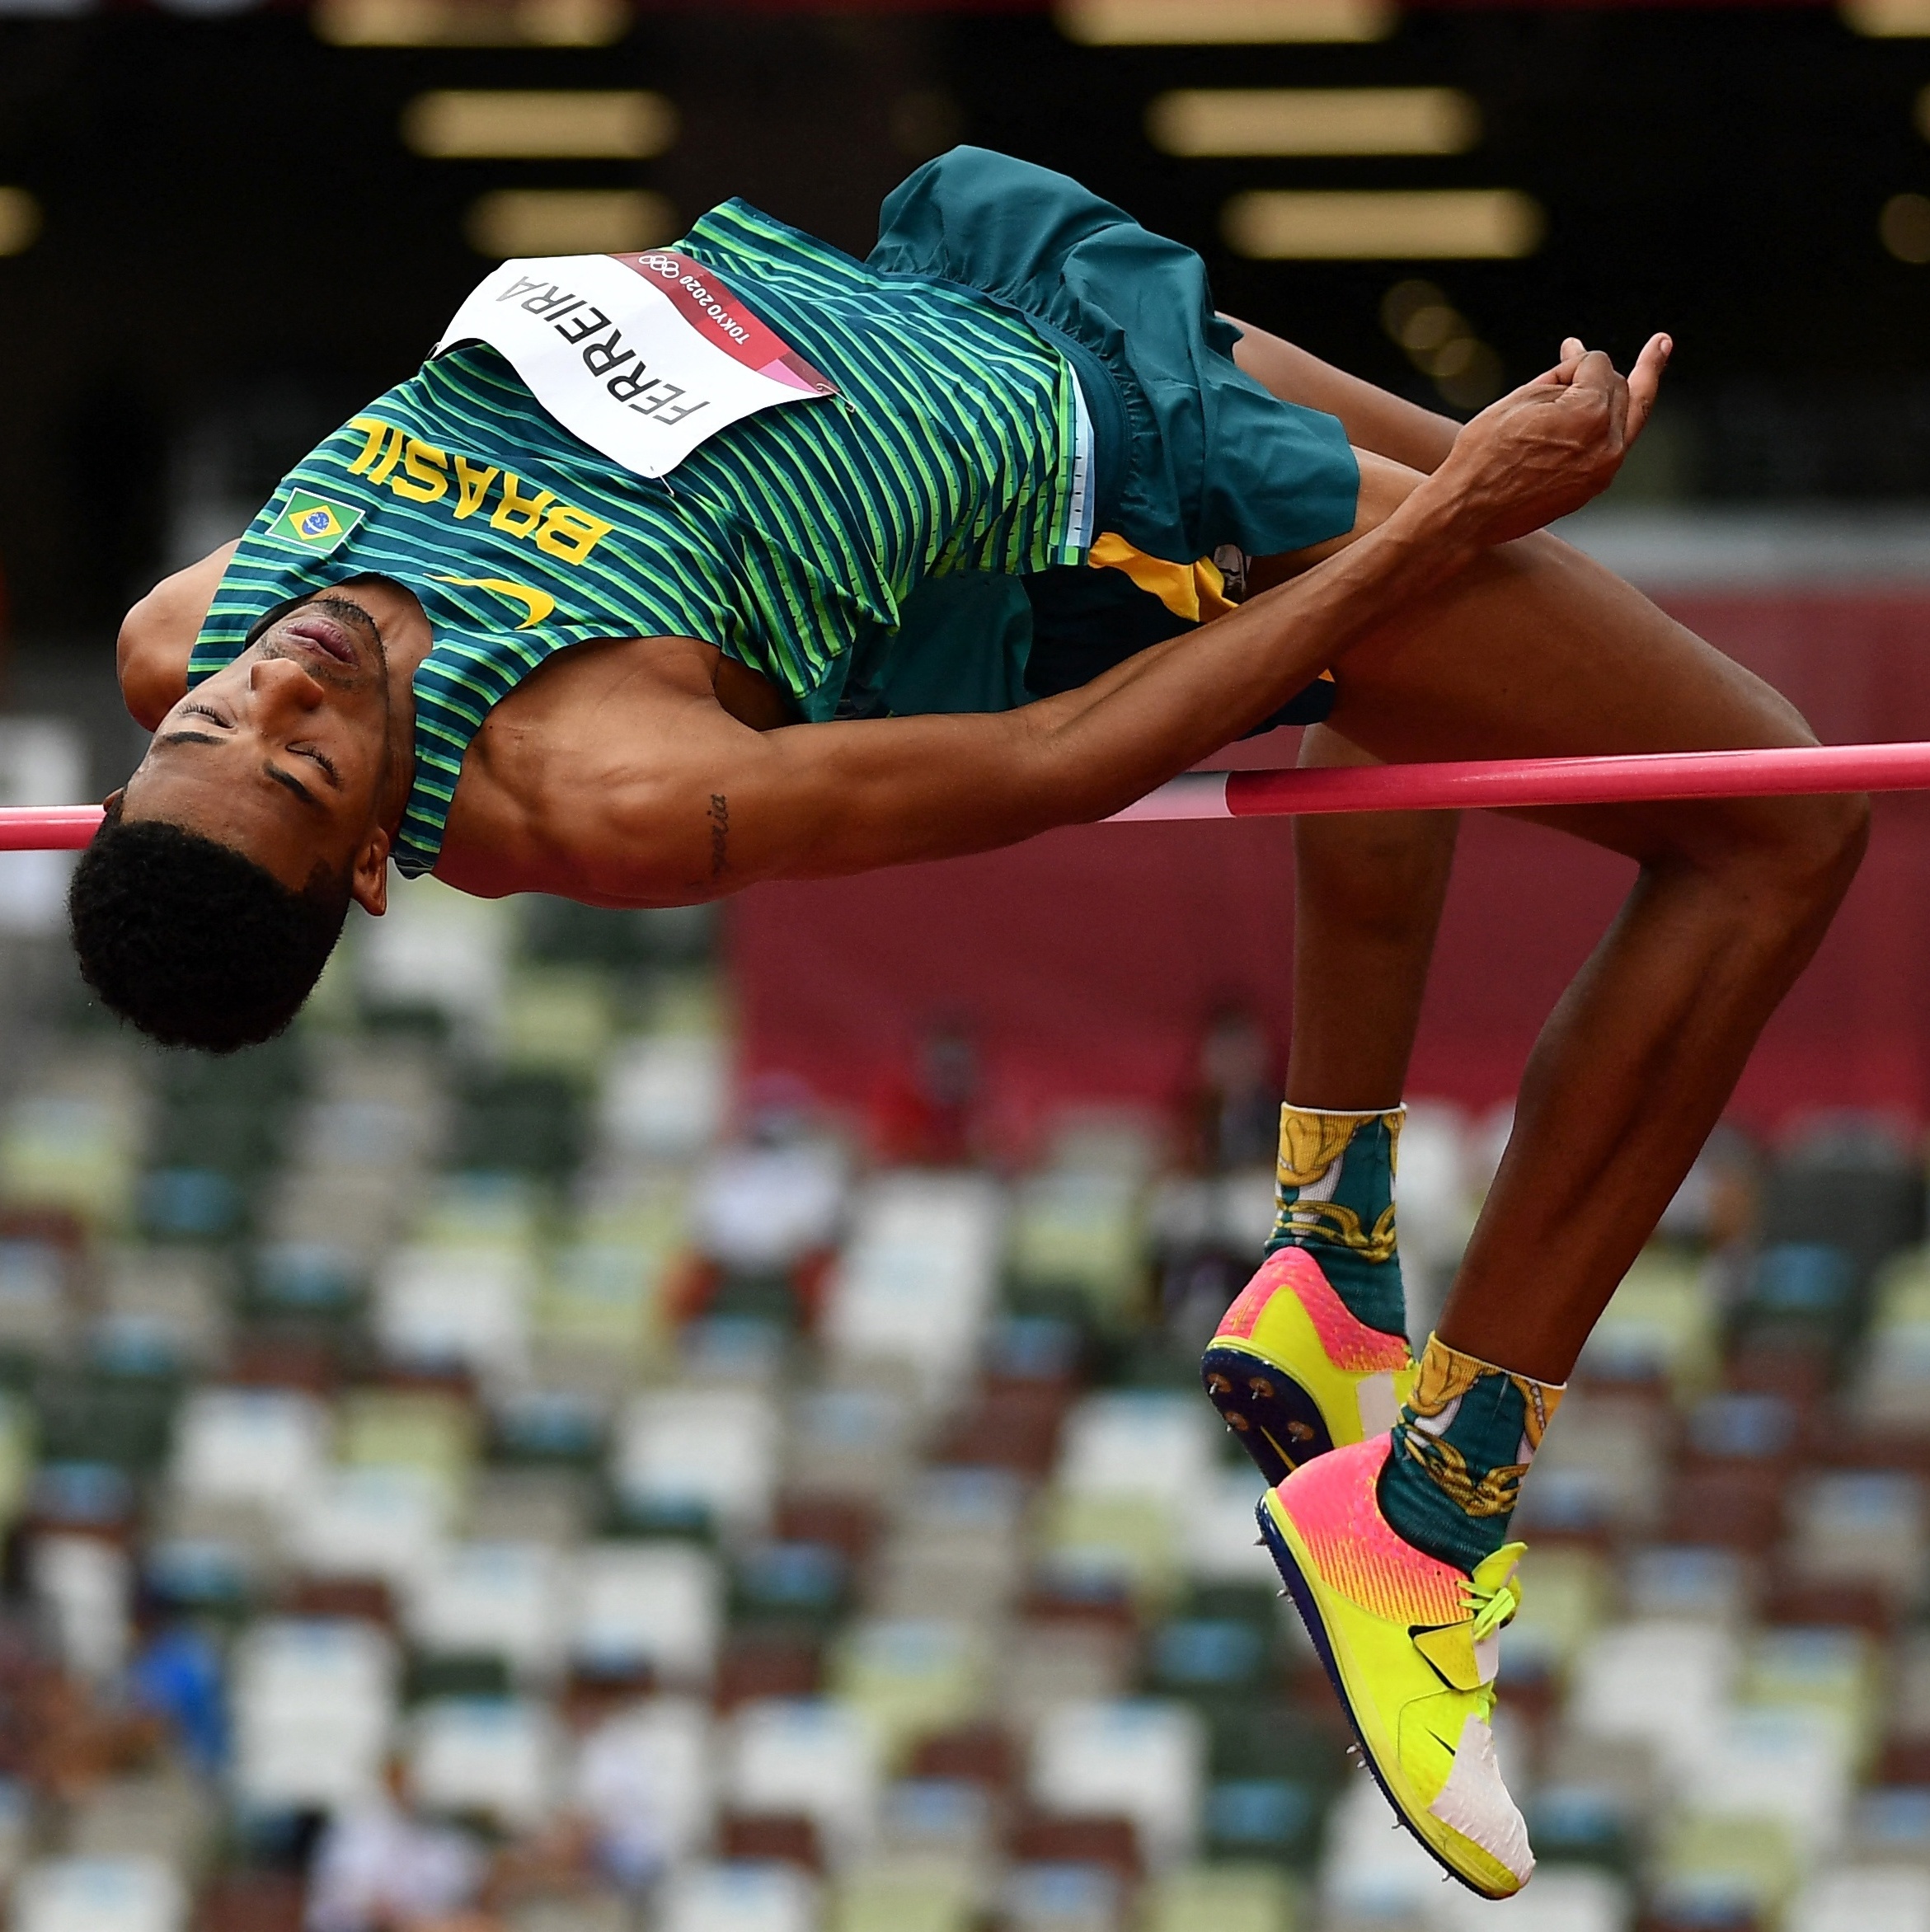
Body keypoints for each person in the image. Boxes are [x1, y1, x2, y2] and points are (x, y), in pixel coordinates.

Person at [86, 148, 1863, 1895]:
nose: (282, 688)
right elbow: (1055, 763)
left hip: (965, 295)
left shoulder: (192, 630)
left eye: (215, 731)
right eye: (308, 757)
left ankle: (1329, 1260)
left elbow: (243, 714)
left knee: (1486, 640)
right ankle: (1433, 1512)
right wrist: (1455, 512)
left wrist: (1458, 510)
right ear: (374, 864)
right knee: (1776, 815)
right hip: (1140, 490)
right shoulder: (607, 786)